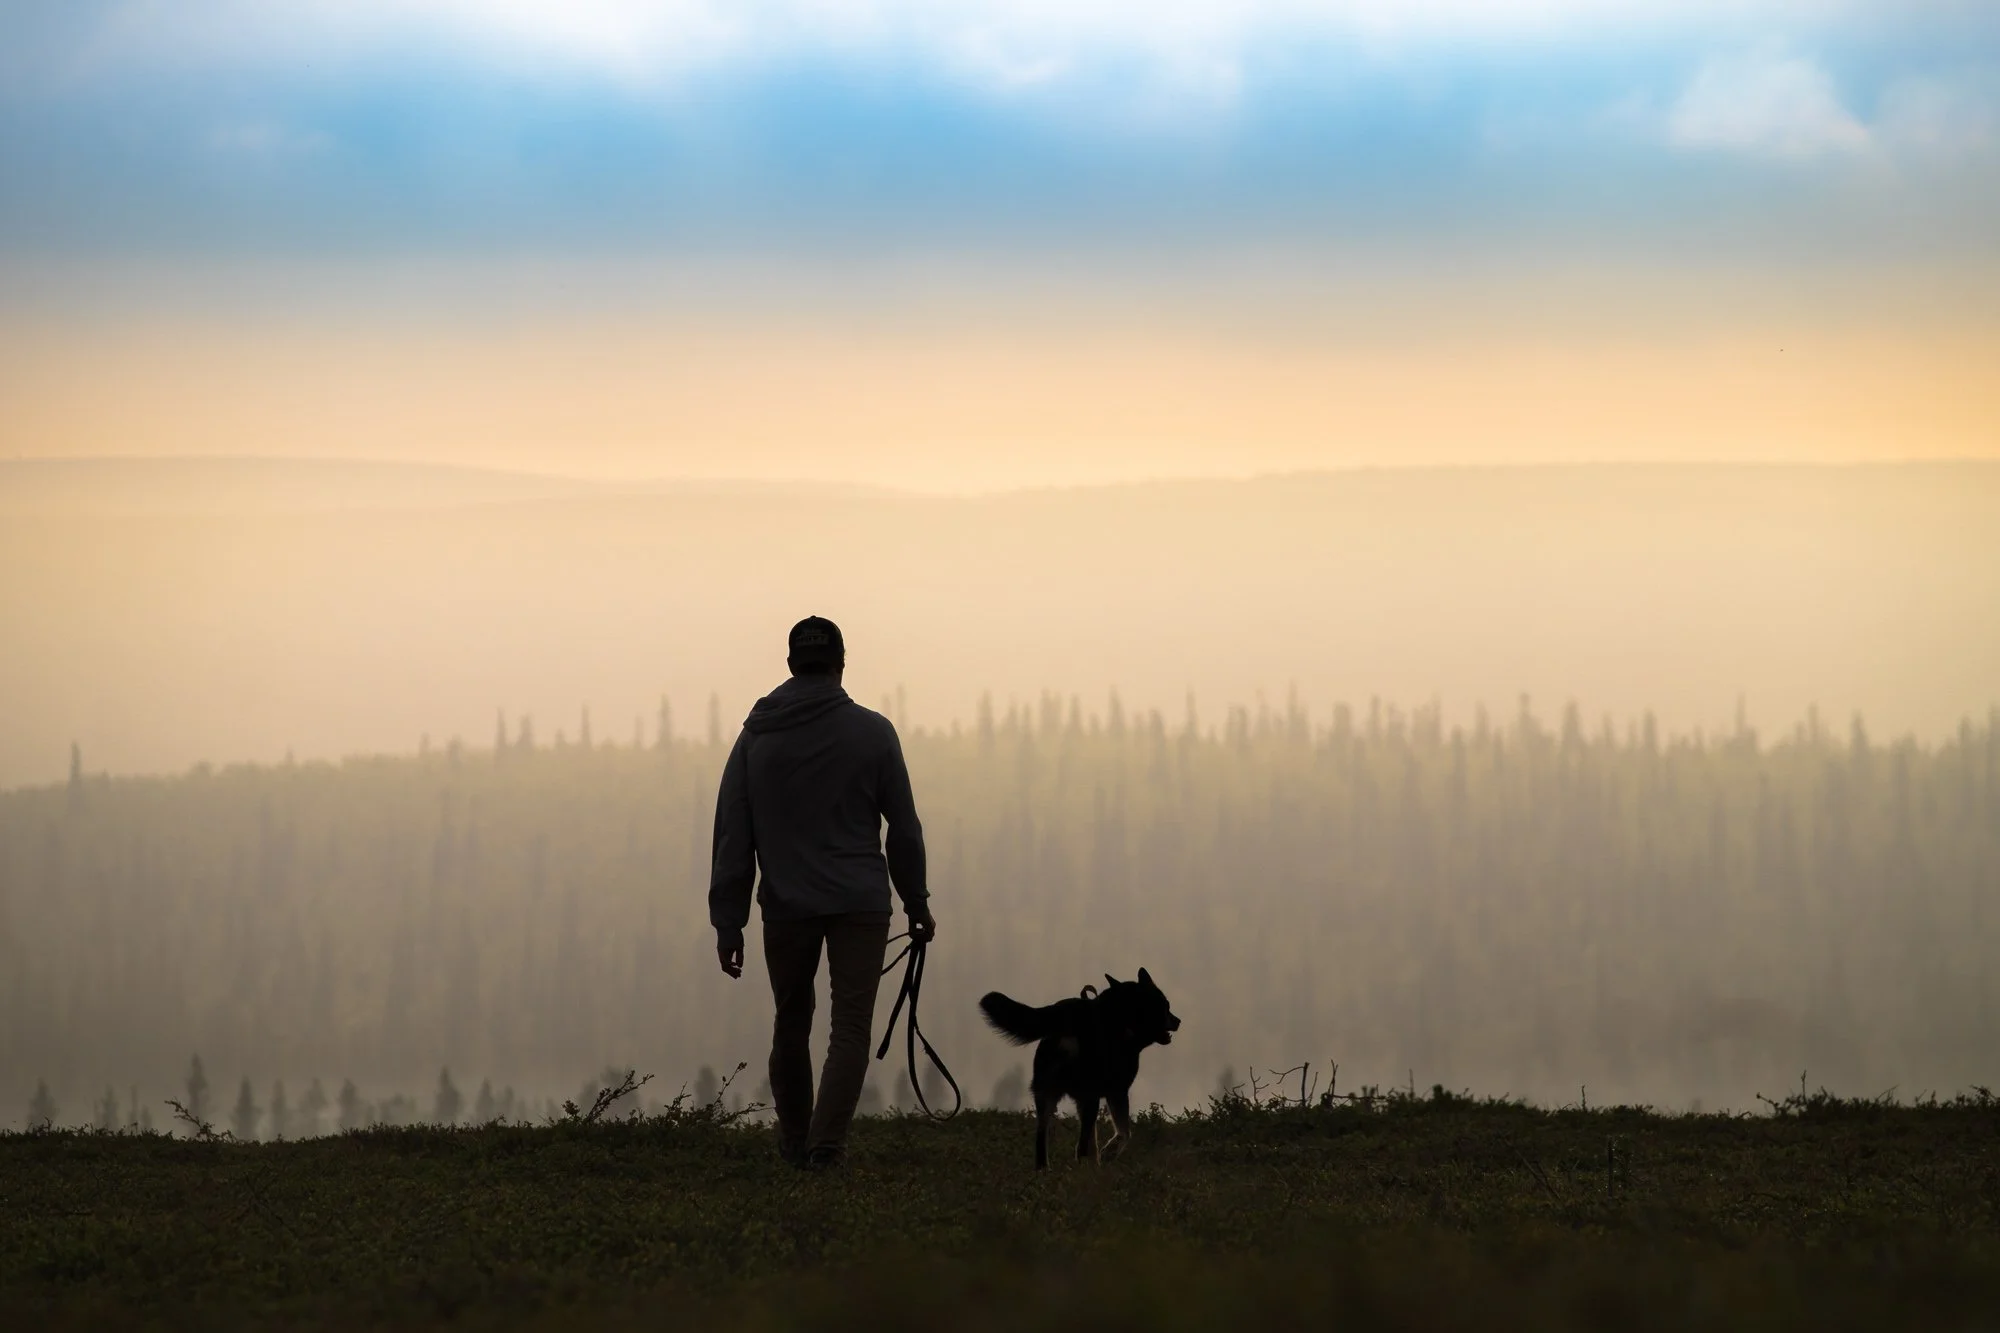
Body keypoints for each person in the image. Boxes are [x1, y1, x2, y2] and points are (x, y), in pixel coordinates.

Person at [709, 616, 934, 1168]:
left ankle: (792, 1142)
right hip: (861, 902)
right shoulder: (873, 732)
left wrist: (729, 920)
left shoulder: (755, 739)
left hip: (786, 907)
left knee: (791, 1021)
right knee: (850, 1027)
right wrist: (917, 901)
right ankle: (826, 1147)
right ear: (840, 664)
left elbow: (734, 832)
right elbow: (903, 829)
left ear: (790, 664)